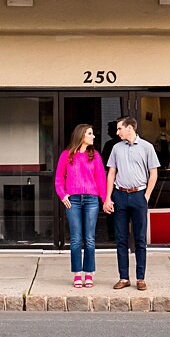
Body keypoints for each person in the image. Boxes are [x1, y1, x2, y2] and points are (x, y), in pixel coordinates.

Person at [103, 116, 160, 292]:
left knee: (140, 239)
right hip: (120, 194)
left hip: (139, 195)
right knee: (121, 239)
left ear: (130, 128)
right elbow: (111, 173)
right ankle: (123, 277)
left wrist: (147, 196)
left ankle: (141, 278)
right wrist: (108, 197)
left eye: (120, 128)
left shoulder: (147, 147)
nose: (117, 132)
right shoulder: (116, 148)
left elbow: (154, 173)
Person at [54, 123, 106, 289]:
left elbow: (101, 179)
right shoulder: (66, 155)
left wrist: (105, 199)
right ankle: (77, 274)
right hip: (73, 200)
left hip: (91, 199)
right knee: (76, 239)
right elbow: (59, 178)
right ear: (81, 136)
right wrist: (63, 195)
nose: (93, 136)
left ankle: (89, 273)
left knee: (89, 239)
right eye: (90, 134)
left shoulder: (95, 155)